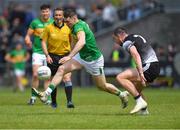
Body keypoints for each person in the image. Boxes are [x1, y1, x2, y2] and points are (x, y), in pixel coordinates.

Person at [34, 9, 129, 109]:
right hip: (81, 57)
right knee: (61, 69)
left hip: (94, 60)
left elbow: (82, 41)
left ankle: (121, 94)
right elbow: (75, 42)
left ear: (74, 18)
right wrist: (71, 54)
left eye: (68, 21)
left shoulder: (78, 26)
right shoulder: (73, 25)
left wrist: (70, 56)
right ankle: (46, 94)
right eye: (65, 21)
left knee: (102, 86)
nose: (66, 23)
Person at [112, 27, 160, 114]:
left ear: (119, 36)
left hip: (149, 66)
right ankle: (144, 111)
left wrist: (141, 73)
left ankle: (139, 101)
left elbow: (136, 55)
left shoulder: (126, 42)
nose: (115, 41)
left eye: (114, 39)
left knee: (120, 77)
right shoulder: (135, 37)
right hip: (155, 66)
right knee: (136, 90)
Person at [41, 8, 74, 108]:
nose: (58, 17)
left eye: (60, 15)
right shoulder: (48, 28)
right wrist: (47, 55)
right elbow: (43, 41)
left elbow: (72, 41)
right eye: (56, 15)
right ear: (53, 16)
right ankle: (54, 102)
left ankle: (69, 102)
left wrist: (70, 55)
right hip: (52, 57)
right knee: (53, 80)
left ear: (63, 17)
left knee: (67, 78)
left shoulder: (68, 28)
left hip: (65, 56)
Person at [24, 4, 53, 105]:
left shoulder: (53, 23)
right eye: (43, 11)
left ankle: (46, 98)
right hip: (37, 52)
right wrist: (27, 40)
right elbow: (28, 35)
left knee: (48, 76)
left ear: (50, 12)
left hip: (49, 53)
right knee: (36, 75)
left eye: (47, 11)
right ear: (41, 12)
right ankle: (33, 97)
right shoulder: (35, 22)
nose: (45, 13)